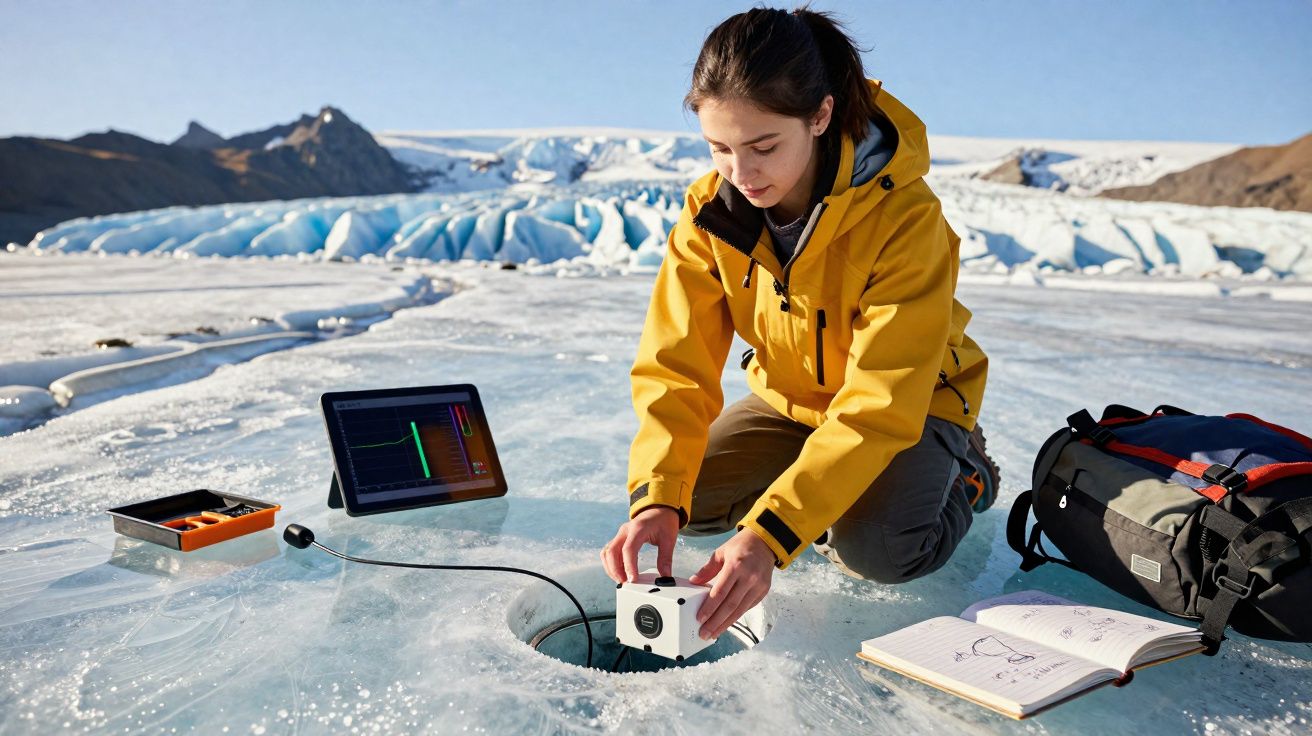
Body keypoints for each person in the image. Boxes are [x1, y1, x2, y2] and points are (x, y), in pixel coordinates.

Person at [601, 5, 999, 644]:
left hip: (912, 408)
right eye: (720, 148)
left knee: (879, 552)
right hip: (792, 404)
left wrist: (771, 534)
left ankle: (966, 471)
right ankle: (814, 485)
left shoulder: (903, 220)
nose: (740, 173)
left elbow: (879, 403)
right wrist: (655, 497)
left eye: (763, 147)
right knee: (685, 501)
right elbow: (676, 364)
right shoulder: (711, 213)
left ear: (820, 116)